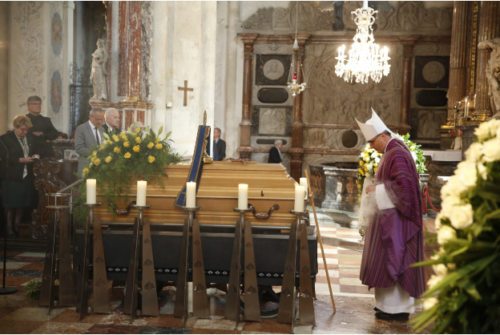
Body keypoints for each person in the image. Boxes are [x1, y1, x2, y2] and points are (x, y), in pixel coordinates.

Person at [355, 109, 425, 321]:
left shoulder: (397, 153)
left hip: (397, 222)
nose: (370, 146)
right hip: (388, 218)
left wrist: (375, 191)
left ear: (383, 136)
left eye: (372, 141)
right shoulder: (392, 151)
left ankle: (397, 309)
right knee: (385, 260)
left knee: (396, 257)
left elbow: (405, 189)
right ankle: (386, 306)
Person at [0, 115, 41, 238]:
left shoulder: (29, 138)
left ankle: (17, 225)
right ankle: (8, 228)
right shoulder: (4, 139)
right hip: (11, 176)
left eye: (26, 130)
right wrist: (20, 160)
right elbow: (3, 158)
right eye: (22, 129)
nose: (24, 132)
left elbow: (35, 149)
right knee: (10, 204)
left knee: (21, 203)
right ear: (15, 127)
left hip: (26, 176)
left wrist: (35, 156)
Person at [74, 109, 105, 177]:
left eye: (101, 119)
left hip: (100, 169)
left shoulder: (102, 129)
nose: (100, 122)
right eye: (97, 119)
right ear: (91, 117)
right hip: (86, 167)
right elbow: (79, 148)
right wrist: (95, 153)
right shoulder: (81, 129)